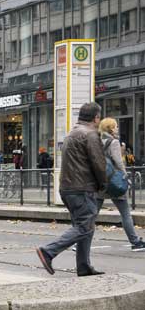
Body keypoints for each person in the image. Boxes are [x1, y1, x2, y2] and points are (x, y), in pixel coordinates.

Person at [36, 102, 107, 276]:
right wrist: (104, 184)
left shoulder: (72, 133)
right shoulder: (90, 134)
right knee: (85, 226)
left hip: (67, 187)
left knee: (83, 225)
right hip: (82, 187)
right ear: (96, 117)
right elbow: (99, 164)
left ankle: (83, 266)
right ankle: (48, 251)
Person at [96, 118, 145, 251]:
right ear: (111, 129)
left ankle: (80, 242)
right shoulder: (114, 142)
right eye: (115, 126)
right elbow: (118, 162)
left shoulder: (98, 141)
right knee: (125, 213)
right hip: (115, 182)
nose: (117, 128)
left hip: (101, 182)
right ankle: (135, 242)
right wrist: (125, 176)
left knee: (92, 214)